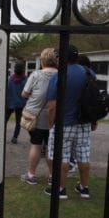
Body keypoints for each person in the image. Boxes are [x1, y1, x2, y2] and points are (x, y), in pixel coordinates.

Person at [45, 45, 96, 199]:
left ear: (62, 58)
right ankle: (84, 188)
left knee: (62, 156)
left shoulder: (59, 75)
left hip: (63, 123)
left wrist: (51, 125)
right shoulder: (89, 73)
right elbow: (93, 99)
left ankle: (60, 189)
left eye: (58, 57)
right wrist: (93, 120)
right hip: (84, 123)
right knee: (83, 156)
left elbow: (51, 106)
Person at [20, 48, 58, 185]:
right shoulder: (61, 75)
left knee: (36, 145)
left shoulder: (36, 75)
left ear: (42, 60)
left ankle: (31, 175)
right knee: (51, 147)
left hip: (34, 117)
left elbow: (24, 94)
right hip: (54, 117)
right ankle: (52, 176)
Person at [6, 60, 27, 144]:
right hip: (20, 104)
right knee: (18, 122)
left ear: (14, 69)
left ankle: (1, 135)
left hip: (9, 103)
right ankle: (15, 137)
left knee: (5, 120)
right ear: (23, 70)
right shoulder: (25, 80)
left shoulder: (9, 79)